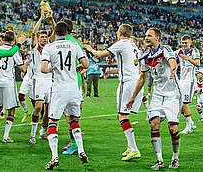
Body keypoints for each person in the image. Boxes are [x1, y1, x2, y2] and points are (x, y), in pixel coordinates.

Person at [85, 24, 143, 161]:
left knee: (122, 116)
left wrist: (88, 48)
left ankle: (134, 149)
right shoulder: (134, 46)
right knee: (121, 115)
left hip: (127, 83)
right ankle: (130, 146)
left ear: (119, 32)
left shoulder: (121, 43)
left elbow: (100, 54)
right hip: (135, 81)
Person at [126, 28, 181, 170]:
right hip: (157, 94)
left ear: (157, 38)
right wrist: (133, 97)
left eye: (149, 36)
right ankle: (160, 160)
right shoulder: (145, 57)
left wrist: (173, 68)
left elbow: (171, 59)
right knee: (154, 124)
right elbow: (142, 78)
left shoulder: (165, 49)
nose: (146, 38)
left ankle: (175, 158)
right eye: (145, 36)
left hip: (172, 94)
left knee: (173, 129)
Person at [41, 22, 89, 170]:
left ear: (54, 32)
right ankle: (81, 150)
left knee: (53, 123)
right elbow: (86, 64)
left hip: (59, 90)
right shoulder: (74, 45)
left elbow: (43, 69)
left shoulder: (49, 47)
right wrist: (79, 67)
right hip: (74, 89)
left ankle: (54, 156)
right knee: (74, 121)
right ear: (67, 32)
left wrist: (53, 68)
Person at [0, 31, 27, 143]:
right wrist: (27, 63)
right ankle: (6, 136)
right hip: (8, 82)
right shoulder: (14, 51)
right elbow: (22, 68)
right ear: (13, 40)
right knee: (11, 110)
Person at [29, 12, 53, 144]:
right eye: (42, 37)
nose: (44, 38)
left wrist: (52, 20)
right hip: (39, 79)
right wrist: (41, 18)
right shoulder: (34, 48)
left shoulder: (50, 47)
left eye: (45, 37)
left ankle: (43, 132)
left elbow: (56, 34)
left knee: (48, 109)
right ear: (38, 39)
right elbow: (33, 33)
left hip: (50, 80)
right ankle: (32, 134)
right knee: (38, 107)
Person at [174, 35, 200, 134]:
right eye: (183, 43)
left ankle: (189, 127)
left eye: (186, 43)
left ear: (190, 43)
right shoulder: (179, 51)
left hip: (190, 81)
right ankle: (191, 123)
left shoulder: (194, 51)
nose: (184, 45)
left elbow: (198, 63)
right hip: (181, 80)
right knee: (180, 105)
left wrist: (188, 58)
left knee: (184, 104)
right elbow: (170, 55)